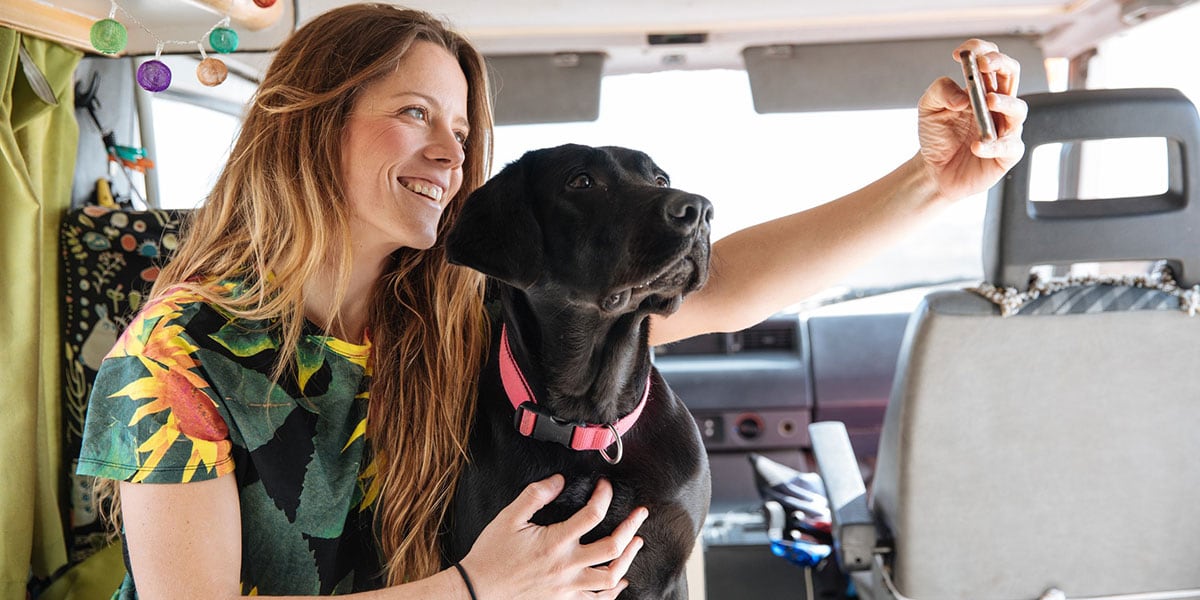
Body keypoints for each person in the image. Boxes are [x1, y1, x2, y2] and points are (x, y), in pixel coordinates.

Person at [75, 3, 1027, 599]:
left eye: (460, 125)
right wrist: (476, 591)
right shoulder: (170, 366)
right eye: (414, 113)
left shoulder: (460, 303)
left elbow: (720, 283)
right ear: (312, 124)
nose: (452, 153)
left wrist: (935, 182)